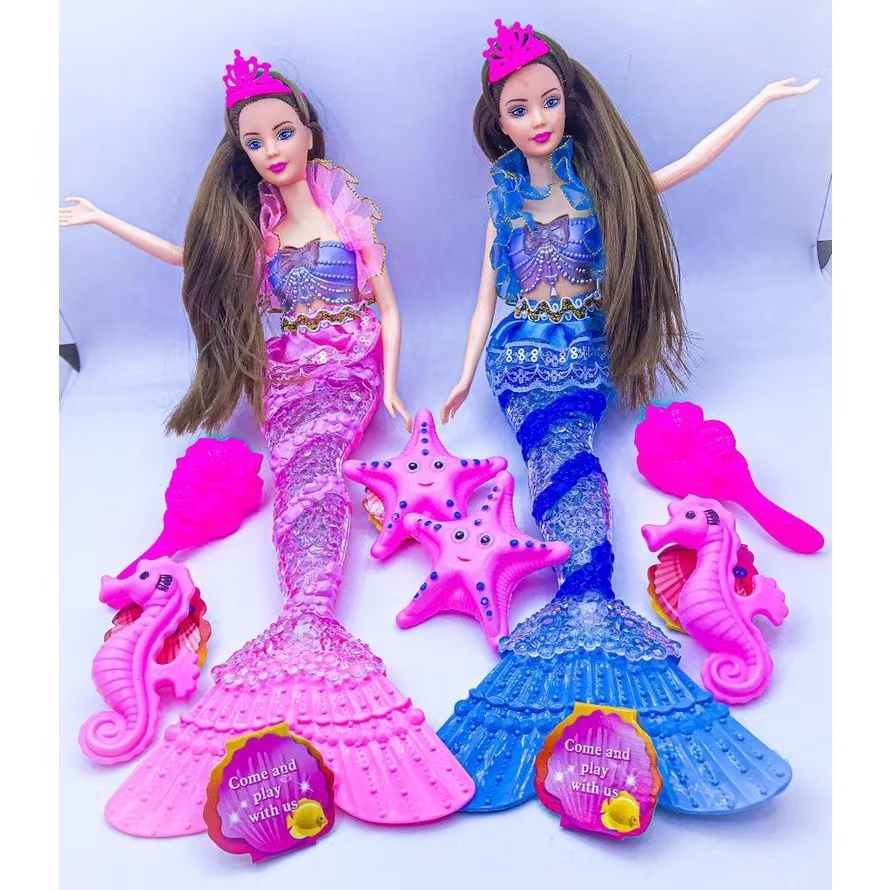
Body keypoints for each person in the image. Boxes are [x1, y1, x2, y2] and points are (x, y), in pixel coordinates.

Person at [61, 50, 473, 837]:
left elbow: (387, 306)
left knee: (319, 472)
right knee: (297, 485)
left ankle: (310, 618)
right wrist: (107, 221)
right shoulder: (259, 228)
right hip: (286, 378)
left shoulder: (346, 210)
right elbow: (192, 259)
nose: (272, 150)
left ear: (308, 131)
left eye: (282, 132)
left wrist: (388, 384)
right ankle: (301, 617)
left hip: (348, 370)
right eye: (255, 142)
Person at [437, 20, 818, 815]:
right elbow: (483, 298)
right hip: (519, 359)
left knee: (575, 460)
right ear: (497, 122)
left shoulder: (598, 187)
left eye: (549, 102)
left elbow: (684, 166)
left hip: (582, 353)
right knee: (557, 462)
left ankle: (586, 591)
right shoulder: (504, 199)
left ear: (570, 102)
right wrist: (466, 373)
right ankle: (583, 593)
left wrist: (757, 103)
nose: (538, 119)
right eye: (518, 109)